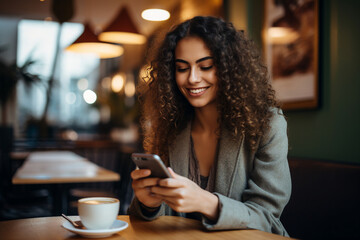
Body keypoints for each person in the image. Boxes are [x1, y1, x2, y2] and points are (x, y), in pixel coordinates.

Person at [128, 16, 291, 236]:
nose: (193, 78)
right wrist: (149, 204)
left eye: (205, 66)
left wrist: (205, 202)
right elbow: (152, 219)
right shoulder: (170, 126)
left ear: (229, 68)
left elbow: (267, 219)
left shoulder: (268, 125)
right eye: (182, 68)